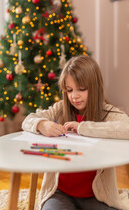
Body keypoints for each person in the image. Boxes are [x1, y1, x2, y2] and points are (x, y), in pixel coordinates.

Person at [22, 55, 129, 210]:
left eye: (82, 89)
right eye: (69, 90)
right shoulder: (60, 109)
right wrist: (42, 124)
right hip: (60, 193)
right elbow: (28, 120)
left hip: (97, 196)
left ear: (95, 87)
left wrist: (82, 127)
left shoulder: (107, 112)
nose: (74, 96)